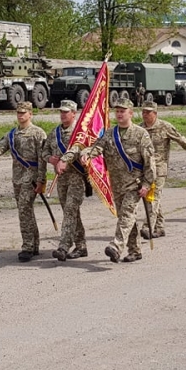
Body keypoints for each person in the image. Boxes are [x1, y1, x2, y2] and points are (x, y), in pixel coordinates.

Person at [60, 98, 155, 263]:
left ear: (131, 113)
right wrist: (87, 154)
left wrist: (147, 184)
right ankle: (135, 250)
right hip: (117, 185)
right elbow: (98, 147)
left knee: (126, 214)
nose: (119, 114)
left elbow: (150, 162)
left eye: (122, 111)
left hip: (135, 184)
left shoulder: (141, 134)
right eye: (117, 111)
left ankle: (116, 246)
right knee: (127, 217)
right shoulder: (110, 133)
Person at [0, 101, 47, 262]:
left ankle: (27, 247)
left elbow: (42, 159)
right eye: (18, 113)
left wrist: (41, 180)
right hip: (17, 178)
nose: (20, 115)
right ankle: (35, 244)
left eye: (24, 113)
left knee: (24, 209)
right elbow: (0, 147)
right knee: (26, 211)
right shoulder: (12, 134)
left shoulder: (38, 133)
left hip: (31, 179)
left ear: (31, 114)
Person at [139, 100, 186, 239]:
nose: (145, 114)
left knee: (153, 197)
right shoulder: (139, 129)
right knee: (154, 198)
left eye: (148, 112)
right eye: (143, 112)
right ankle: (160, 228)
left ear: (155, 113)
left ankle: (148, 227)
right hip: (145, 169)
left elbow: (181, 139)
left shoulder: (165, 127)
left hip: (160, 168)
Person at [44, 100, 88, 261]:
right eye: (61, 112)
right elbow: (45, 151)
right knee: (71, 212)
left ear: (74, 113)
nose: (63, 115)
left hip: (77, 178)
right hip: (61, 179)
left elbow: (80, 151)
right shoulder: (54, 133)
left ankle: (63, 246)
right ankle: (81, 246)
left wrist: (65, 160)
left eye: (66, 112)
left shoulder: (80, 132)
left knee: (70, 210)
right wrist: (50, 159)